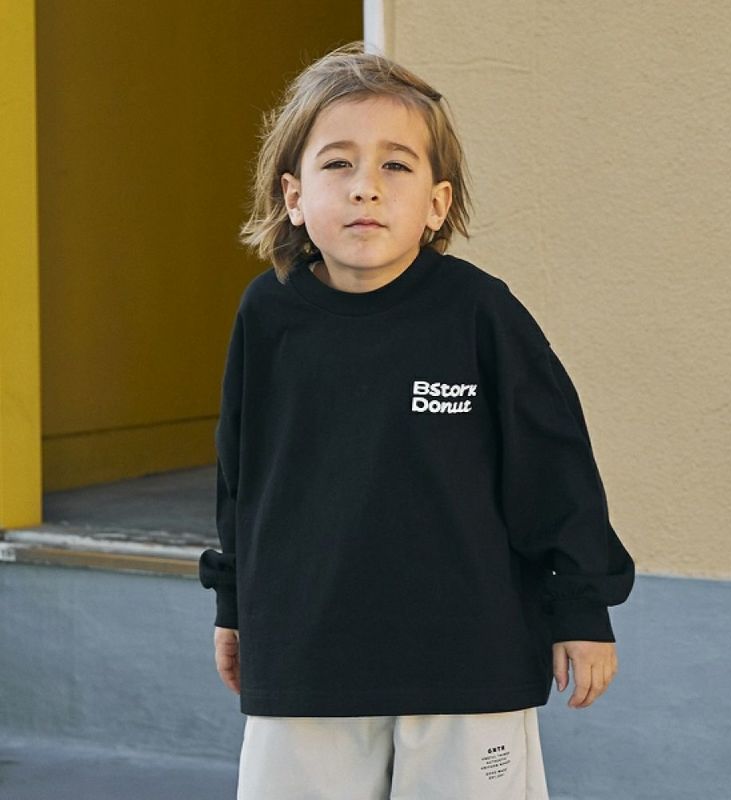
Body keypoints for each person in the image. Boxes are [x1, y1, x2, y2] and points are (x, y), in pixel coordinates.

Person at [199, 41, 635, 800]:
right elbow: (241, 478)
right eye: (338, 163)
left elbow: (554, 468)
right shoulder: (267, 316)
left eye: (395, 165)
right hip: (306, 654)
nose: (365, 186)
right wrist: (233, 605)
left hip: (468, 659)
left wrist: (581, 608)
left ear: (436, 203)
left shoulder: (480, 313)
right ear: (294, 195)